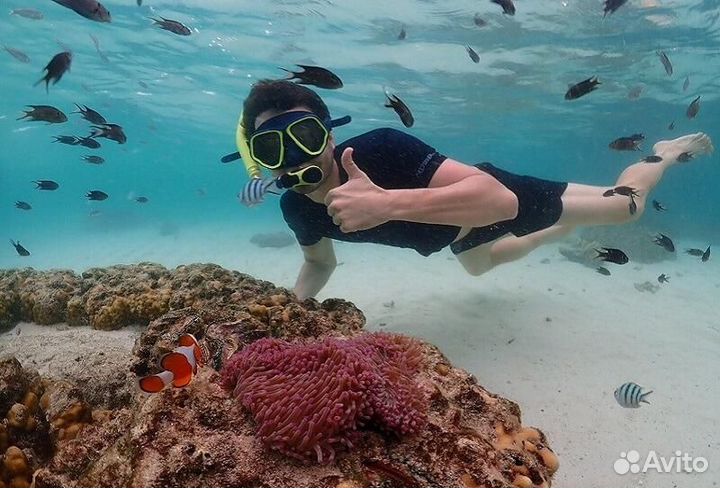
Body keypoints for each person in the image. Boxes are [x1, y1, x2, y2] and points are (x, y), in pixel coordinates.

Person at [237, 80, 714, 300]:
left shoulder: (381, 148)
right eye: (273, 148)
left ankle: (666, 151)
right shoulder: (299, 212)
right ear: (260, 160)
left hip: (486, 195)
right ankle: (556, 229)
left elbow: (498, 201)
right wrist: (291, 309)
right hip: (455, 234)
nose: (296, 158)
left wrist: (384, 203)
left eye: (304, 136)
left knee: (626, 209)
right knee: (477, 266)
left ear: (329, 135)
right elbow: (319, 263)